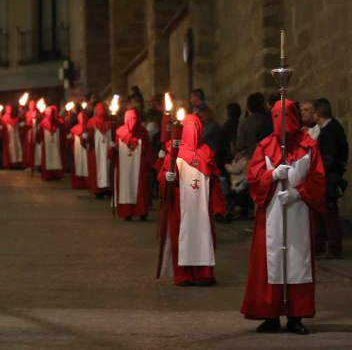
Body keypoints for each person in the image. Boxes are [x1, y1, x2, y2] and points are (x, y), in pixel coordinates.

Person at [241, 99, 325, 335]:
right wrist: (272, 175)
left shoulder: (309, 146)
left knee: (297, 262)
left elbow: (318, 179)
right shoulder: (264, 147)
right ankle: (270, 315)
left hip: (298, 212)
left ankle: (296, 315)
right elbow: (254, 179)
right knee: (272, 261)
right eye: (277, 117)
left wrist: (298, 193)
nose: (283, 124)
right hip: (272, 215)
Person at [158, 114, 226, 286]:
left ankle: (204, 273)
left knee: (204, 237)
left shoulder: (206, 152)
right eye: (189, 127)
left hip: (202, 206)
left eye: (196, 126)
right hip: (181, 206)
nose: (193, 131)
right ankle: (183, 275)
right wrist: (168, 176)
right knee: (181, 237)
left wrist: (217, 205)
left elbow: (215, 180)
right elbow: (163, 176)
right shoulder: (174, 151)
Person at [313, 98, 347, 260]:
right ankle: (320, 246)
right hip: (326, 176)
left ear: (318, 113)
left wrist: (317, 170)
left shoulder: (331, 129)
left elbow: (330, 156)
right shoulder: (330, 128)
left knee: (330, 213)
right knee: (322, 212)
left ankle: (333, 248)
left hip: (329, 177)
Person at [113, 109, 153, 221]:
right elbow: (148, 151)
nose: (131, 121)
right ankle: (136, 212)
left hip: (135, 166)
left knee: (134, 186)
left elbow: (147, 151)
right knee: (135, 186)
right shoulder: (141, 132)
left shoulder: (141, 133)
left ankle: (131, 213)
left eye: (133, 119)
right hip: (130, 165)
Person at [87, 102, 113, 199]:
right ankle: (109, 189)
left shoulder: (91, 122)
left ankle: (98, 190)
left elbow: (90, 137)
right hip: (109, 149)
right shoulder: (113, 122)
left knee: (98, 168)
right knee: (108, 167)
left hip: (97, 150)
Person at [36, 106, 64, 181]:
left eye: (52, 113)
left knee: (56, 156)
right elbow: (40, 135)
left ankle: (56, 174)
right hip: (48, 144)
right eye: (50, 113)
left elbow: (62, 133)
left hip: (56, 144)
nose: (51, 115)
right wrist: (38, 132)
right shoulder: (43, 124)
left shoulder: (58, 122)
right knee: (49, 156)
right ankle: (48, 175)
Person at [69, 110, 89, 189]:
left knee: (81, 164)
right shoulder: (88, 127)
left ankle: (81, 182)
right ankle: (82, 182)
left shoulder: (87, 127)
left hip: (80, 150)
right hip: (80, 150)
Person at [23, 100, 40, 170]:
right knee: (29, 148)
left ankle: (36, 164)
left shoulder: (37, 113)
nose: (31, 106)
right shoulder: (27, 113)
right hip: (29, 132)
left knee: (36, 148)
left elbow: (38, 121)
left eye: (32, 105)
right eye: (30, 105)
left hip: (35, 131)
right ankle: (30, 164)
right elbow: (27, 122)